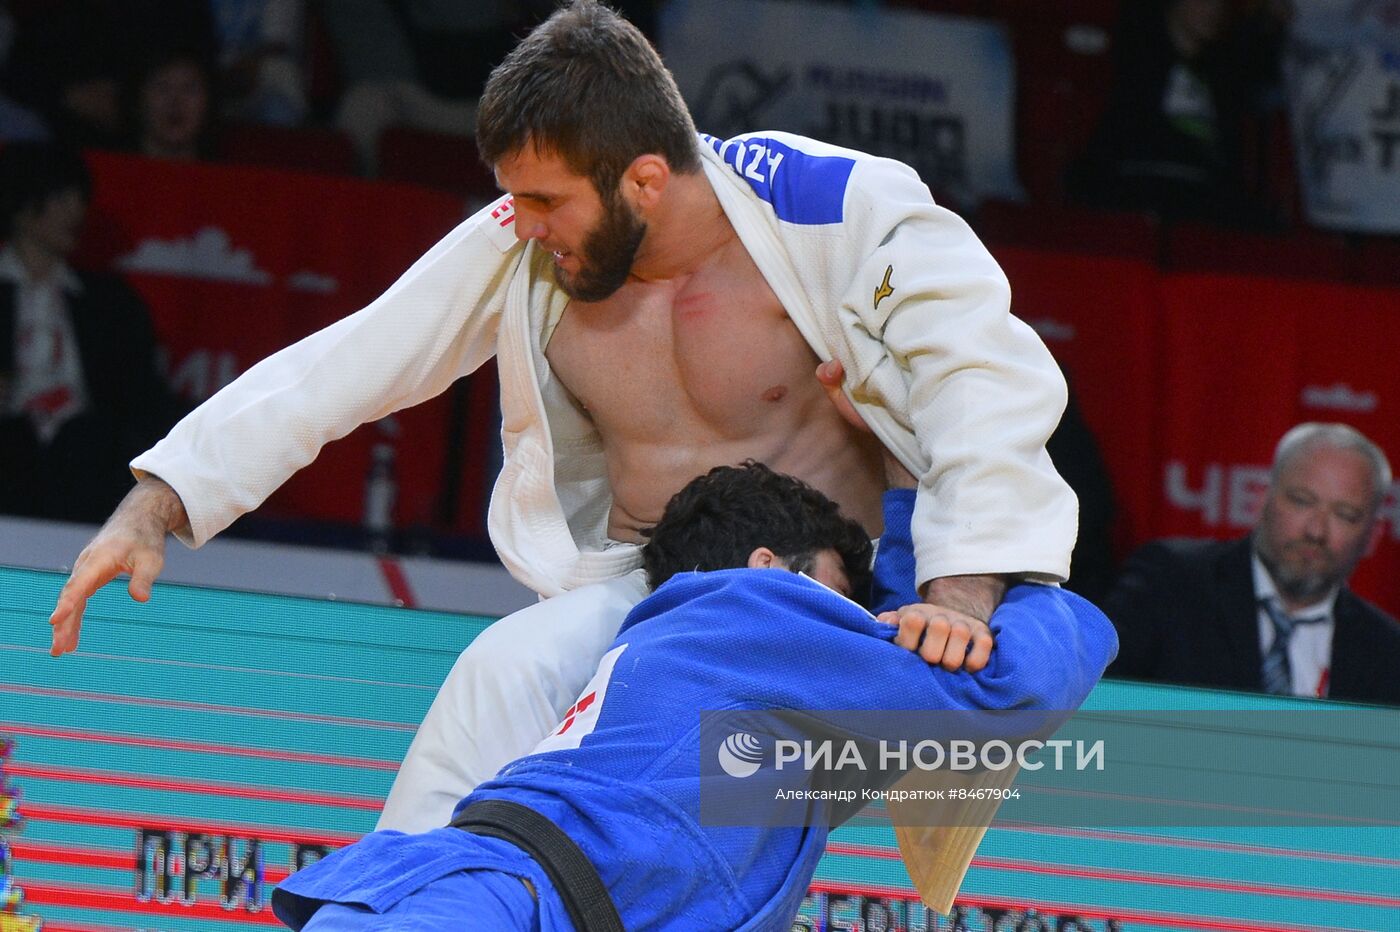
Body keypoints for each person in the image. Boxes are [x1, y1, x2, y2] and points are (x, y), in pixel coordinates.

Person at [47, 0, 1078, 848]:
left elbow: (979, 378)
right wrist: (157, 502)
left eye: (544, 201)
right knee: (501, 669)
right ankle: (394, 912)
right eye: (514, 199)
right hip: (648, 587)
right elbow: (351, 360)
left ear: (641, 177)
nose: (522, 225)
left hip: (821, 594)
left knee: (678, 816)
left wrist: (959, 588)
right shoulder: (524, 242)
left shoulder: (828, 204)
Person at [271, 462, 1118, 929]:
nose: (863, 621)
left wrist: (916, 509)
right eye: (842, 592)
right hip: (499, 903)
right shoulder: (757, 611)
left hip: (486, 891)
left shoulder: (701, 654)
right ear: (770, 569)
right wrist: (1003, 583)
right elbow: (1008, 688)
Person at [1103, 423, 1400, 705]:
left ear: (1373, 535)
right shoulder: (1169, 582)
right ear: (1261, 499)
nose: (1316, 531)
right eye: (1301, 501)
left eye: (1345, 515)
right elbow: (1092, 706)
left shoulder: (1387, 651)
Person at [0, 141, 187, 523]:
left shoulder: (110, 301)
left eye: (79, 198)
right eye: (60, 198)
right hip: (9, 447)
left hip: (87, 454)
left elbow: (141, 393)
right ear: (22, 202)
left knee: (88, 441)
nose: (75, 211)